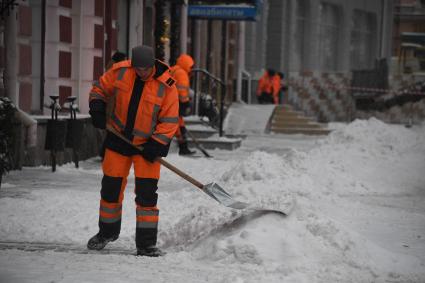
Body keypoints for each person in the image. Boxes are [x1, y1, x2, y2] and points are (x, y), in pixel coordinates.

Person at [87, 45, 179, 257]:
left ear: (153, 65)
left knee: (147, 195)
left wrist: (156, 144)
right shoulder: (120, 71)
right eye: (138, 68)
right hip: (118, 140)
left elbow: (170, 119)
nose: (141, 72)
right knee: (110, 189)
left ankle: (146, 244)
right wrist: (98, 108)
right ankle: (106, 233)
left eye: (145, 69)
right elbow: (99, 88)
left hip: (147, 146)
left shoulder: (167, 85)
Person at [99, 51, 128, 160]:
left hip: (110, 104)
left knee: (111, 131)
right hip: (112, 105)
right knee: (112, 131)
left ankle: (104, 153)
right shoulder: (116, 70)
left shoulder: (112, 68)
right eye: (124, 59)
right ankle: (104, 153)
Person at [170, 54, 196, 155]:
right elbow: (182, 90)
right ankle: (183, 147)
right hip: (177, 102)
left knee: (179, 124)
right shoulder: (182, 73)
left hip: (170, 101)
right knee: (178, 126)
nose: (192, 69)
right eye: (191, 66)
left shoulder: (174, 69)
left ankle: (183, 147)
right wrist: (185, 103)